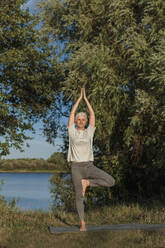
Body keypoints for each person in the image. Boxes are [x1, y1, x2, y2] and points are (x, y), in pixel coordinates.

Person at [67, 88, 115, 231]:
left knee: (111, 181)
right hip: (76, 168)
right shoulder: (72, 132)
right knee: (78, 197)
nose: (81, 121)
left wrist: (86, 99)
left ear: (86, 121)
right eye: (79, 119)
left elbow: (93, 114)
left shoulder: (90, 132)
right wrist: (78, 100)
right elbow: (71, 113)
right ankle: (82, 223)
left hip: (89, 166)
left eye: (83, 119)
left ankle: (87, 183)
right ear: (76, 121)